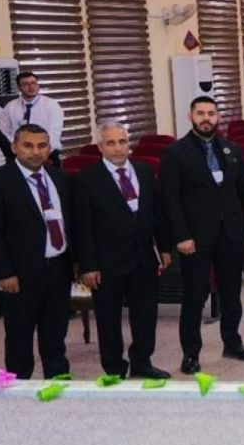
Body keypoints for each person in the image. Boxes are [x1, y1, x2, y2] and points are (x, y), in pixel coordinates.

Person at [160, 96, 244, 374]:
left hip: (231, 234)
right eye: (201, 113)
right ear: (190, 116)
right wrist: (181, 236)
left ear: (218, 117)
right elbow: (170, 200)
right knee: (195, 297)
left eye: (211, 113)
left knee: (232, 294)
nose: (206, 118)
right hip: (194, 238)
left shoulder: (232, 149)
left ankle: (233, 343)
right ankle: (191, 354)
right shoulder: (175, 153)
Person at [73, 122, 172, 380]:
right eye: (111, 143)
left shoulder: (144, 171)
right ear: (100, 147)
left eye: (122, 142)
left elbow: (157, 213)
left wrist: (164, 247)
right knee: (108, 318)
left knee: (145, 313)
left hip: (143, 258)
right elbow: (83, 227)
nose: (118, 148)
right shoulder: (86, 179)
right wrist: (88, 265)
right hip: (106, 262)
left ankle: (142, 361)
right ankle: (114, 367)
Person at [0, 125, 72, 380]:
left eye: (42, 146)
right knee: (19, 337)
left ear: (49, 148)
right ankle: (17, 387)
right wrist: (4, 272)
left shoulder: (60, 178)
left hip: (58, 268)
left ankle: (58, 380)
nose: (36, 152)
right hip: (20, 274)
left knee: (55, 334)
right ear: (14, 147)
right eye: (28, 146)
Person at [0, 70, 65, 158]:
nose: (31, 87)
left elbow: (54, 133)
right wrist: (18, 147)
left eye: (33, 83)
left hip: (46, 153)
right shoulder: (11, 106)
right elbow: (2, 130)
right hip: (18, 154)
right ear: (19, 88)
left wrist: (37, 150)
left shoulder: (51, 105)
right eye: (26, 84)